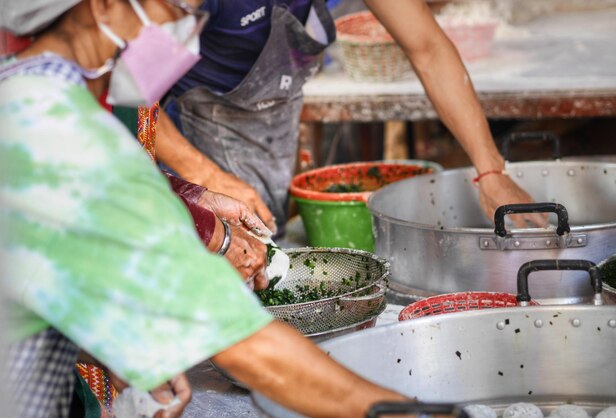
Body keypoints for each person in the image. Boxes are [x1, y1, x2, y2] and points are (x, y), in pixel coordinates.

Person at [0, 1, 409, 417]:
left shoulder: (24, 95)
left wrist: (107, 346)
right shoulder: (59, 131)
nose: (189, 32)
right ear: (104, 7)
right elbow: (245, 347)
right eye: (178, 9)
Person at [159, 0, 547, 234]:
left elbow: (428, 48)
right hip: (185, 132)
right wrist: (203, 177)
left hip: (273, 117)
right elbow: (127, 96)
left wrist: (490, 170)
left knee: (260, 250)